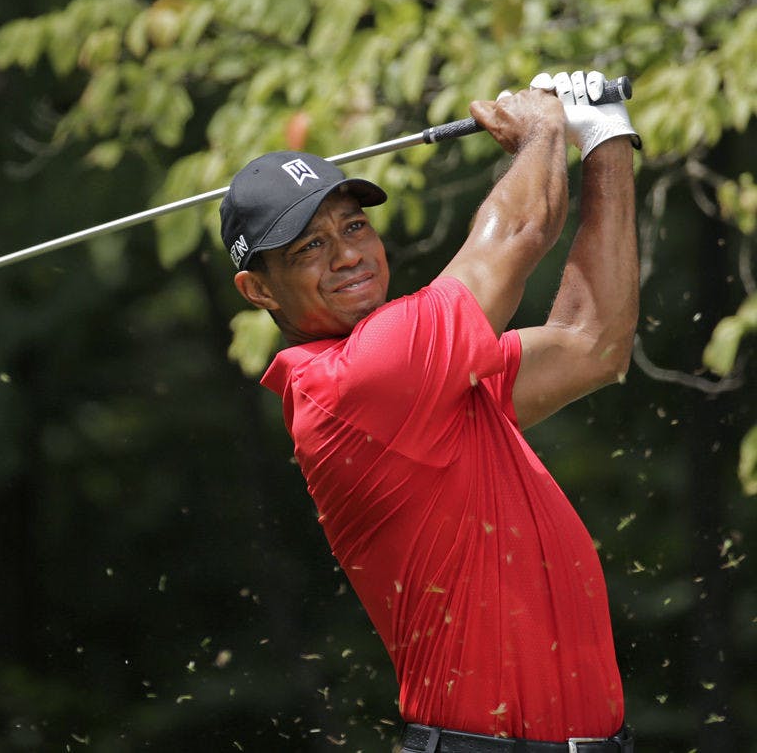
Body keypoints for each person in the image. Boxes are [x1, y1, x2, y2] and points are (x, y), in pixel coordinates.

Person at [219, 71, 639, 753]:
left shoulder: (430, 381)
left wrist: (608, 143)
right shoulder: (357, 384)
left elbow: (594, 345)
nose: (349, 253)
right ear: (257, 289)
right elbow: (521, 233)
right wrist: (542, 130)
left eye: (353, 225)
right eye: (310, 247)